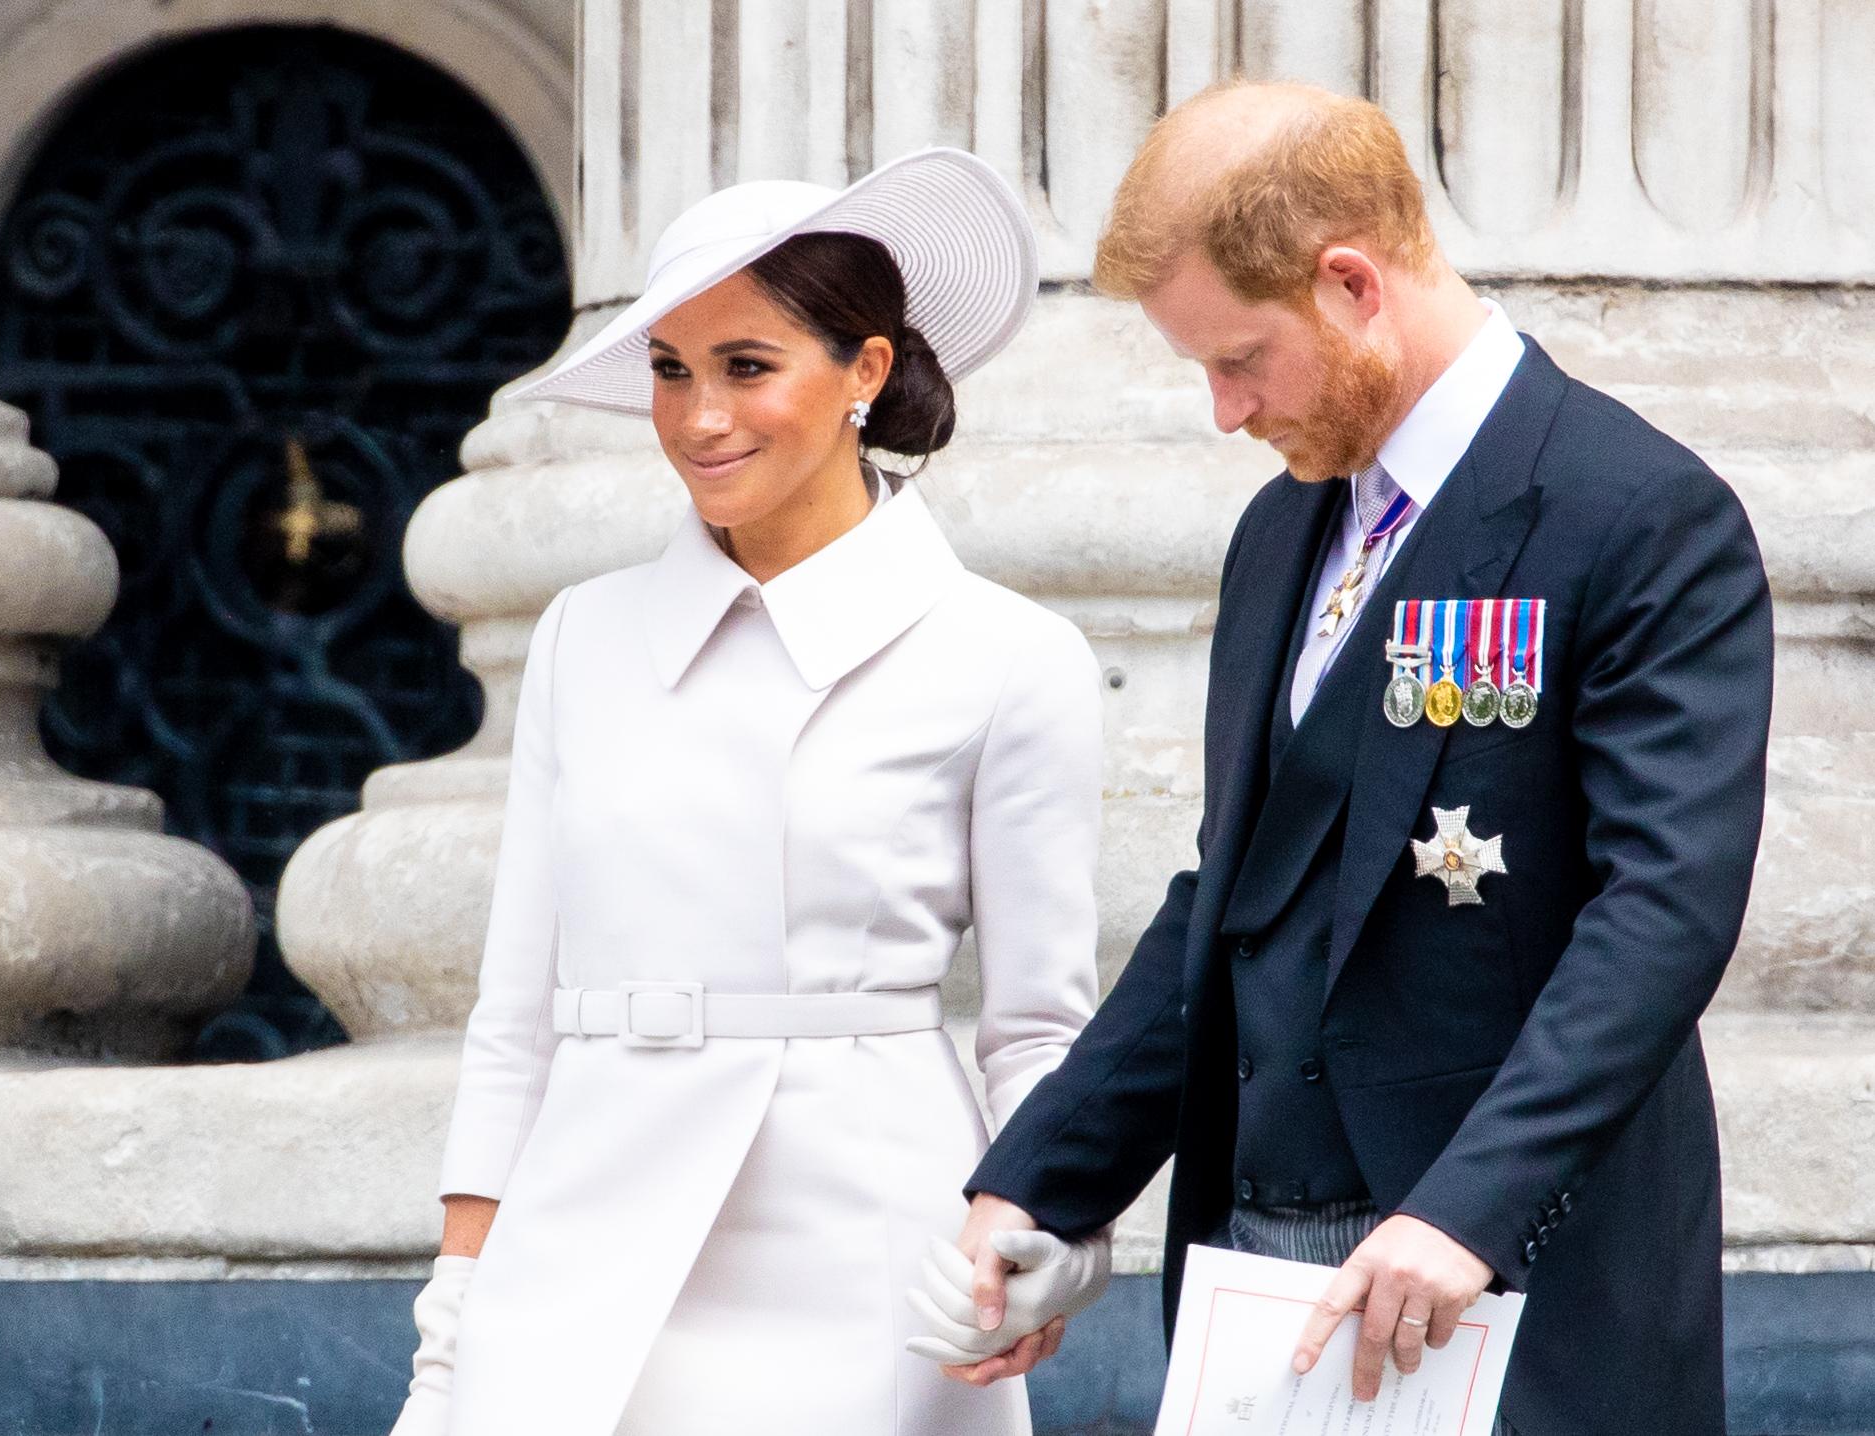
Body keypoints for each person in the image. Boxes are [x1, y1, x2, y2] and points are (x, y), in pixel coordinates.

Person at [933, 82, 1773, 1436]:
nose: (1221, 409)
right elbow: (1236, 897)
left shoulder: (1638, 517)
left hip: (1509, 1284)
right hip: (1257, 1283)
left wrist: (1462, 1212)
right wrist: (1039, 1180)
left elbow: (1662, 912)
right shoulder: (1279, 534)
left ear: (1348, 281)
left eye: (1239, 359)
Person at [388, 148, 1104, 1436]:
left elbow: (1037, 1027)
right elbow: (516, 1017)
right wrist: (457, 1297)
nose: (699, 417)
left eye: (748, 366)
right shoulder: (581, 638)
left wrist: (1057, 1232)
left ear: (865, 373)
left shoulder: (1009, 657)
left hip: (868, 1253)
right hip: (580, 1243)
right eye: (671, 369)